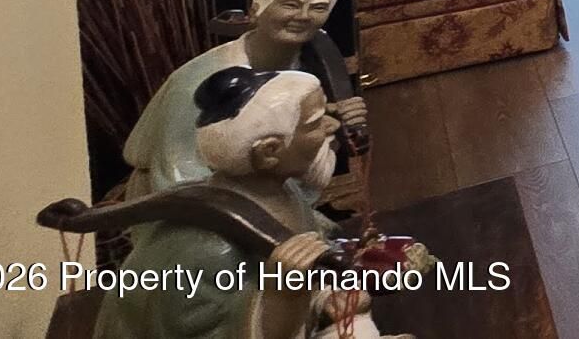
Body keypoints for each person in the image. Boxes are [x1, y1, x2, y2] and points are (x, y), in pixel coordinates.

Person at [96, 67, 421, 339]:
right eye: (314, 123)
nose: (331, 126)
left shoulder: (285, 195)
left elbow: (309, 272)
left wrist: (324, 300)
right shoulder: (204, 251)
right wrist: (283, 294)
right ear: (269, 152)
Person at [125, 0, 366, 198]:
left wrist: (330, 122)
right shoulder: (199, 81)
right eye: (291, 4)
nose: (304, 16)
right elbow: (180, 178)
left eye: (319, 8)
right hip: (195, 206)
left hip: (274, 197)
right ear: (257, 10)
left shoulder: (311, 65)